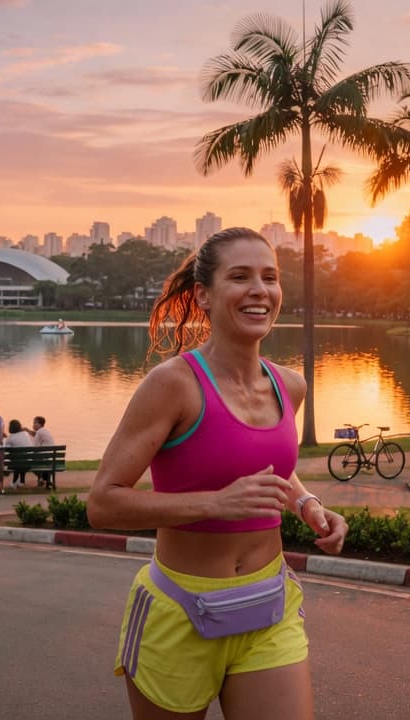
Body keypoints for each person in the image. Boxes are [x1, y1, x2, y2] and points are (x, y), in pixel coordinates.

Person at [87, 227, 347, 719]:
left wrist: (306, 503)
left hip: (268, 607)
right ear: (203, 295)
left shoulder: (289, 386)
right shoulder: (171, 386)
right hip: (178, 611)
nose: (260, 290)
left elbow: (268, 471)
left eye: (270, 277)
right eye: (240, 277)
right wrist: (213, 503)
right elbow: (103, 502)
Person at [4, 418, 33, 488]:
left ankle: (14, 482)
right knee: (22, 458)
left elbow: (5, 448)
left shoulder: (10, 437)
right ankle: (22, 481)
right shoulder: (25, 434)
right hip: (28, 463)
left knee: (17, 459)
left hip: (16, 464)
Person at [31, 416, 56, 486]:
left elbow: (35, 448)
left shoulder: (39, 432)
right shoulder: (45, 431)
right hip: (50, 457)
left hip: (43, 458)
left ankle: (41, 478)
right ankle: (46, 479)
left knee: (31, 463)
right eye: (33, 423)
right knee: (39, 459)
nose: (33, 424)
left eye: (35, 423)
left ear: (40, 424)